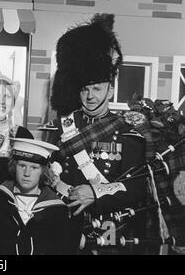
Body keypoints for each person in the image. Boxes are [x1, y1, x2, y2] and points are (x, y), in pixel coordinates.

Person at [40, 13, 148, 254]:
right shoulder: (60, 127)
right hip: (62, 223)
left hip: (107, 229)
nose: (90, 96)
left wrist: (96, 192)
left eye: (97, 89)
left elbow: (137, 187)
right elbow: (46, 175)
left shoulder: (128, 132)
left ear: (110, 90)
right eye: (85, 89)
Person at [0, 138, 69, 255]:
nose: (27, 173)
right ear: (14, 166)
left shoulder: (56, 208)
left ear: (42, 170)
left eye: (34, 167)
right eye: (22, 166)